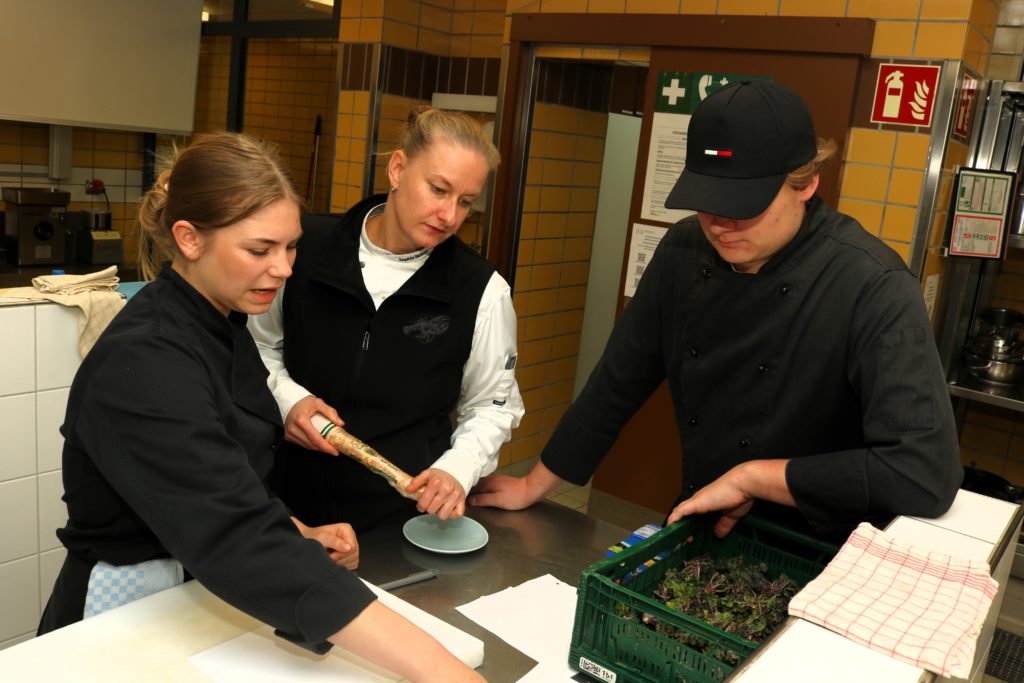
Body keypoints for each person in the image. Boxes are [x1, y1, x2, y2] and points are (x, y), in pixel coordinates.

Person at [38, 132, 483, 682]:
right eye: (260, 250)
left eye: (291, 246)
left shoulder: (223, 324)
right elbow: (231, 533)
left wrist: (296, 531)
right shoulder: (145, 361)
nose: (285, 269)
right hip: (122, 611)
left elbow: (225, 481)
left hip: (189, 592)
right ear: (189, 239)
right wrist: (443, 672)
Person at [471, 80, 962, 540]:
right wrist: (534, 484)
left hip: (827, 548)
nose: (720, 224)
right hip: (706, 522)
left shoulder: (871, 284)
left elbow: (923, 474)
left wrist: (756, 478)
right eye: (707, 200)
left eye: (742, 204)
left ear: (806, 183)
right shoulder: (683, 251)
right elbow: (616, 383)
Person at [248, 106, 524, 532]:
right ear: (398, 168)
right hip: (284, 500)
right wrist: (288, 401)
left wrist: (458, 469)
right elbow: (257, 346)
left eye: (465, 202)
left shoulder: (482, 290)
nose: (449, 215)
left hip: (400, 516)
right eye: (438, 189)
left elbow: (492, 405)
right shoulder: (305, 247)